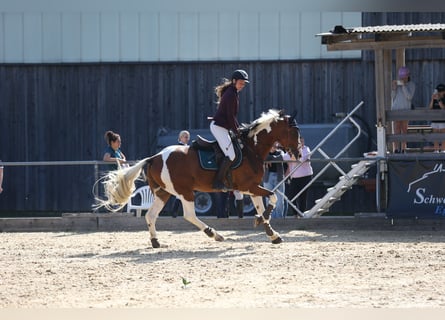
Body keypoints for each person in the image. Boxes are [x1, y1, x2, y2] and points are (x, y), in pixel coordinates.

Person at [210, 69, 249, 191]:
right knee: (231, 155)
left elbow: (232, 117)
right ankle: (218, 181)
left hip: (223, 127)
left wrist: (238, 130)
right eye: (241, 82)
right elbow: (230, 117)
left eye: (244, 83)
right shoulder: (231, 94)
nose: (242, 85)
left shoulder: (233, 92)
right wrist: (237, 132)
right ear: (234, 81)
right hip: (219, 128)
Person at [391, 66, 416, 153]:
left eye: (404, 76)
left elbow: (409, 97)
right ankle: (396, 149)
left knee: (404, 129)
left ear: (408, 76)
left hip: (405, 110)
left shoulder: (411, 85)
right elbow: (392, 97)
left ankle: (403, 149)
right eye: (401, 76)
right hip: (396, 109)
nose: (402, 78)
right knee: (396, 129)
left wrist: (404, 86)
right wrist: (394, 88)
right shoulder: (397, 85)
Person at [286, 137, 313, 217]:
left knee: (303, 196)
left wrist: (294, 157)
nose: (301, 143)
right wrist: (295, 157)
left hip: (306, 176)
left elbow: (304, 158)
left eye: (302, 141)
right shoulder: (291, 150)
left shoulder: (306, 149)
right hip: (294, 177)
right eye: (299, 142)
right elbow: (285, 157)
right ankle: (295, 214)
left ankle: (301, 214)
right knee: (291, 197)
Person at [263, 142, 291, 218]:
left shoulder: (280, 152)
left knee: (280, 200)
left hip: (279, 177)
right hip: (267, 178)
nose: (273, 147)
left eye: (275, 146)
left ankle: (279, 218)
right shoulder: (265, 152)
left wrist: (270, 159)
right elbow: (263, 158)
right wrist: (269, 158)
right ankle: (270, 217)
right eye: (271, 146)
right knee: (268, 199)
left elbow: (281, 158)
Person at [172, 130, 190, 217]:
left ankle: (179, 212)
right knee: (179, 194)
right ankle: (174, 212)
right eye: (185, 137)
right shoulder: (178, 147)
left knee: (183, 194)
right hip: (179, 174)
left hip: (186, 174)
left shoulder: (188, 147)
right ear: (180, 138)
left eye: (188, 137)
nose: (187, 139)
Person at [428, 83, 445, 153]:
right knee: (435, 136)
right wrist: (432, 99)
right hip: (434, 120)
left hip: (443, 120)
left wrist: (438, 100)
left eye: (441, 91)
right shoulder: (435, 97)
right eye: (439, 91)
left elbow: (443, 108)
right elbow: (430, 108)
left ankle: (443, 150)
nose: (440, 93)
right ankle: (436, 150)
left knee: (443, 136)